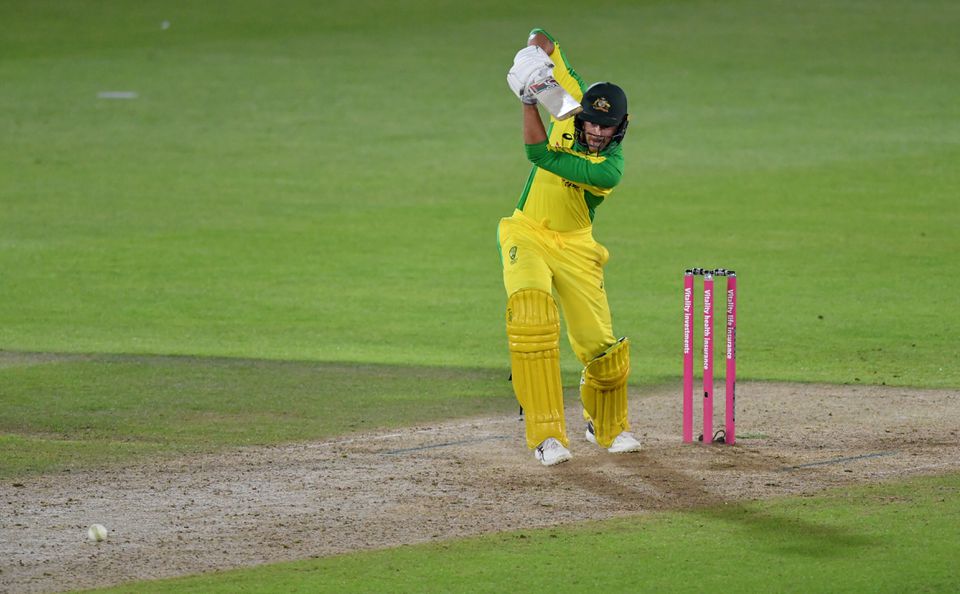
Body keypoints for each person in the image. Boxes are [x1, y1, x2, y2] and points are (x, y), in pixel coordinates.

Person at [498, 28, 641, 466]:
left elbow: (539, 155)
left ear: (621, 127)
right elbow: (543, 37)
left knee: (602, 349)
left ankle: (607, 426)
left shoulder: (608, 168)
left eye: (606, 126)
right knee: (532, 315)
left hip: (576, 246)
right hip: (527, 232)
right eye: (592, 121)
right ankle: (546, 436)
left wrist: (528, 101)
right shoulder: (570, 100)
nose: (596, 131)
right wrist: (531, 56)